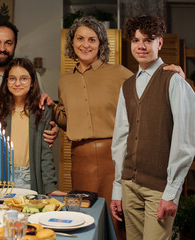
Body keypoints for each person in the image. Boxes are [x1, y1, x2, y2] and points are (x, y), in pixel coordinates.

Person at [39, 16, 185, 240]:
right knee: (83, 218)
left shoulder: (120, 74)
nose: (85, 44)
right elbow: (69, 120)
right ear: (72, 42)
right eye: (80, 38)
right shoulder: (64, 81)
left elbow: (150, 86)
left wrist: (174, 72)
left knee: (120, 223)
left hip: (115, 158)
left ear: (100, 44)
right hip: (80, 158)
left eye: (92, 39)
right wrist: (51, 108)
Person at [110, 15, 195, 240]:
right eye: (136, 40)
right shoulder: (126, 86)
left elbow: (184, 141)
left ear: (159, 43)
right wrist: (118, 188)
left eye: (147, 40)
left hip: (159, 189)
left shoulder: (174, 81)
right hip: (129, 186)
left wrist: (172, 193)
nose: (141, 46)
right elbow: (120, 139)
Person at [0, 58, 66, 196]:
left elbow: (45, 154)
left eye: (24, 78)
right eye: (12, 78)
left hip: (28, 178)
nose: (18, 83)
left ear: (32, 82)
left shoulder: (42, 110)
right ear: (6, 81)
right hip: (1, 179)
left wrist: (51, 187)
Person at [0, 21, 58, 147]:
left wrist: (53, 130)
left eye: (8, 43)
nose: (2, 49)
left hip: (29, 155)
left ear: (15, 45)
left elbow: (45, 115)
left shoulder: (34, 78)